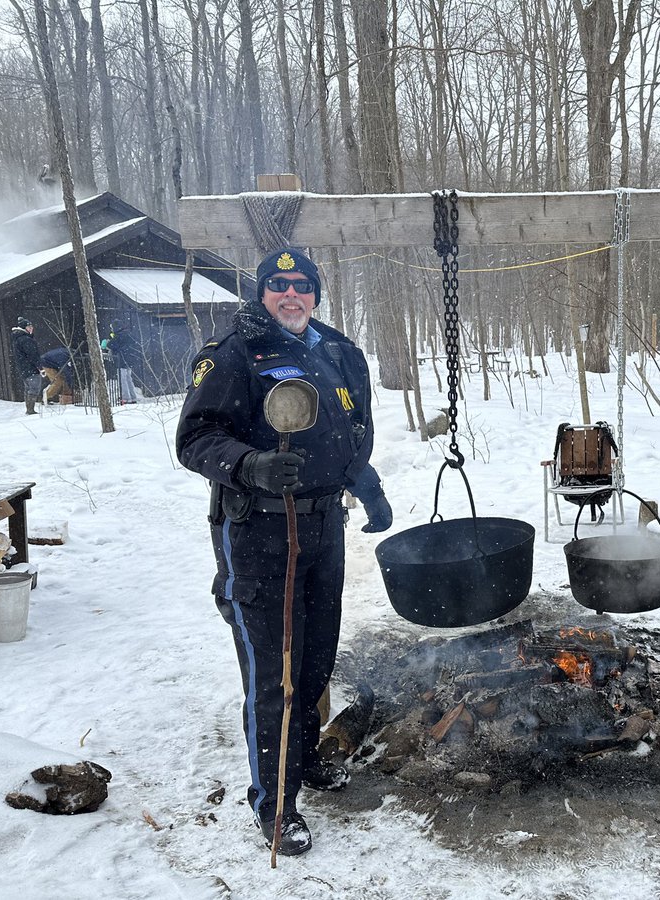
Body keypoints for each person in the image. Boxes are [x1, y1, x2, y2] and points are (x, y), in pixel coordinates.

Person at [175, 247, 392, 856]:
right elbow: (194, 439)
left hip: (324, 528)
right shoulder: (234, 353)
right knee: (275, 671)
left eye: (302, 286)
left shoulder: (340, 351)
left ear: (316, 294)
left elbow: (355, 432)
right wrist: (250, 464)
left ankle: (304, 762)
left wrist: (366, 484)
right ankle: (273, 801)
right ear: (262, 292)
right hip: (258, 534)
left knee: (318, 657)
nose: (291, 295)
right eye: (278, 285)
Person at [102, 321, 141, 404]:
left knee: (123, 379)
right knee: (128, 379)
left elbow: (110, 345)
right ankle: (133, 397)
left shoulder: (119, 336)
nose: (111, 330)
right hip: (129, 360)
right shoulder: (127, 334)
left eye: (112, 328)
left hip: (122, 360)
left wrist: (108, 341)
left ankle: (126, 398)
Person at [10, 317, 41, 415]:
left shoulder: (17, 338)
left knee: (28, 388)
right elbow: (33, 355)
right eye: (29, 327)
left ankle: (29, 409)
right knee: (34, 388)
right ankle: (30, 410)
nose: (31, 328)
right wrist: (39, 366)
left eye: (32, 327)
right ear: (24, 328)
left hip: (23, 369)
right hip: (30, 368)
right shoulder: (26, 340)